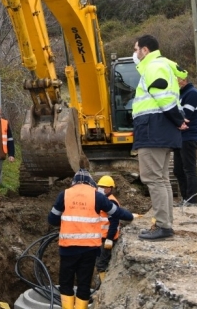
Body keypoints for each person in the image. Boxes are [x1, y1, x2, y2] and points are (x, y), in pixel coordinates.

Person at [48, 170, 136, 309]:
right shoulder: (97, 197)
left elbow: (52, 219)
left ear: (74, 182)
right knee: (84, 283)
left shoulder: (64, 195)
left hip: (68, 248)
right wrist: (131, 216)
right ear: (91, 183)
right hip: (89, 249)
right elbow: (116, 212)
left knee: (66, 283)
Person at [132, 34, 188, 240]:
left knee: (154, 179)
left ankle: (163, 226)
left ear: (145, 50)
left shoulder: (153, 67)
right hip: (160, 131)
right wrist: (178, 120)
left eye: (136, 49)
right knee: (162, 179)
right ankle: (166, 224)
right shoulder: (162, 66)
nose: (135, 53)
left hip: (152, 131)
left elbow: (163, 97)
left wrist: (177, 120)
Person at [174, 75, 197, 206]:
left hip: (189, 137)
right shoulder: (181, 94)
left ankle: (192, 200)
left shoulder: (192, 94)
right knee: (178, 170)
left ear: (183, 80)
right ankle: (185, 198)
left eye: (176, 80)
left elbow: (185, 116)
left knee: (189, 169)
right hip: (181, 138)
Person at [94, 175, 121, 283]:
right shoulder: (103, 200)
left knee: (101, 264)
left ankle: (103, 288)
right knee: (98, 262)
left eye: (103, 187)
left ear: (109, 188)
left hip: (107, 238)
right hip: (101, 237)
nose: (100, 189)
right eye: (99, 186)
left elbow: (114, 221)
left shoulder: (111, 202)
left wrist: (110, 238)